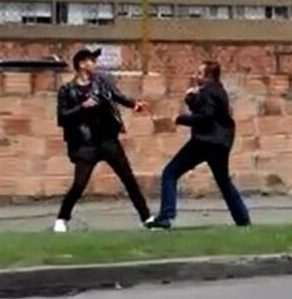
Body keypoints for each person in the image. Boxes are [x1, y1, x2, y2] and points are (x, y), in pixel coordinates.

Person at [54, 48, 151, 233]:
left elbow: (117, 96)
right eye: (91, 61)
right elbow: (62, 117)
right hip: (85, 144)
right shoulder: (67, 90)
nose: (95, 65)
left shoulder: (102, 82)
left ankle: (146, 217)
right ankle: (62, 218)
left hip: (108, 140)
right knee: (79, 184)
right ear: (82, 64)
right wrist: (82, 107)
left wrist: (134, 105)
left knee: (128, 179)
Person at [145, 61, 250, 229]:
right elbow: (206, 111)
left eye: (200, 74)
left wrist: (180, 119)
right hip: (221, 143)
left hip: (205, 141)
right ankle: (243, 219)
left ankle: (165, 216)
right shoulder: (218, 90)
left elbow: (205, 118)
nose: (196, 76)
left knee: (170, 173)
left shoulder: (208, 92)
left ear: (208, 77)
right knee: (223, 180)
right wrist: (191, 99)